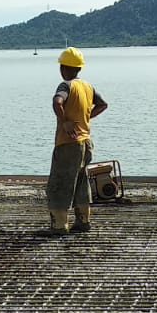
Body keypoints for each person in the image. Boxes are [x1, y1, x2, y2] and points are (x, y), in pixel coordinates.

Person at [46, 47, 108, 235]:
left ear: (63, 67)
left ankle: (59, 226)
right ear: (79, 68)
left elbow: (57, 102)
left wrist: (65, 122)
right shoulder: (88, 87)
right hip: (86, 143)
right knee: (81, 182)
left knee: (60, 183)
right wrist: (86, 118)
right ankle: (83, 220)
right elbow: (103, 104)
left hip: (68, 143)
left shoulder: (65, 86)